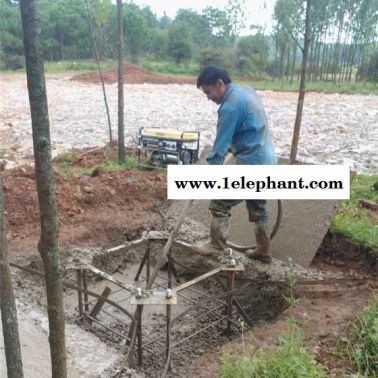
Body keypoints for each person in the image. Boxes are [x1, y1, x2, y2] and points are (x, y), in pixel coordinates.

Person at [194, 66, 277, 264]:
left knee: (220, 202)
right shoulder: (247, 91)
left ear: (219, 84)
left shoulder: (229, 107)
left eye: (208, 92)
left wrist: (211, 170)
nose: (208, 98)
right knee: (258, 208)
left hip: (252, 165)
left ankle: (216, 245)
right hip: (267, 160)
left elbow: (219, 147)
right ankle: (264, 251)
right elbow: (247, 126)